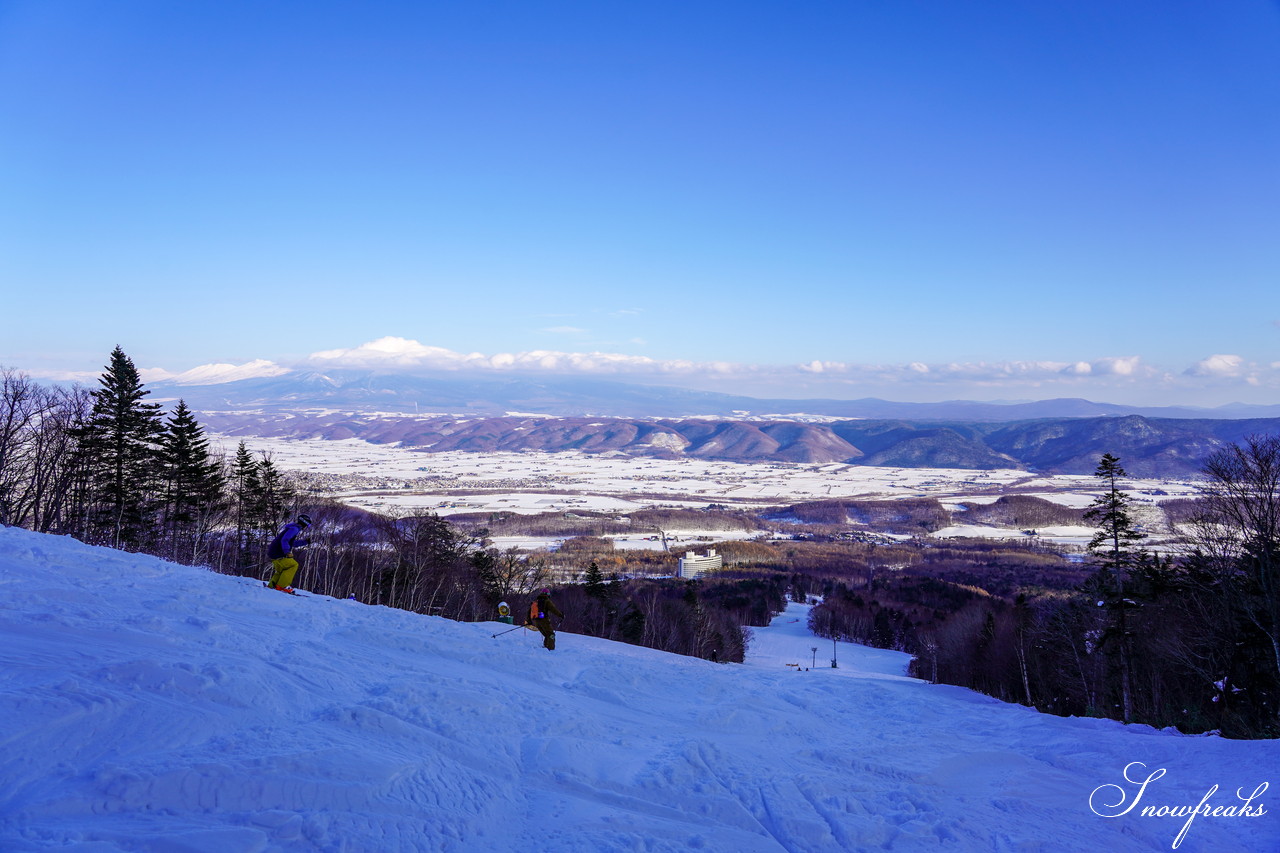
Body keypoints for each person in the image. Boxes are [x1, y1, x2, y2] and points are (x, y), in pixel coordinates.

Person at [267, 514, 312, 593]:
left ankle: (272, 584)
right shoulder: (294, 529)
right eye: (308, 525)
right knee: (293, 565)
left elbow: (291, 543)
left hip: (273, 551)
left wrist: (305, 542)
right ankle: (282, 586)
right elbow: (285, 540)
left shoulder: (293, 528)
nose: (306, 527)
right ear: (304, 523)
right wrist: (287, 551)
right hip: (278, 552)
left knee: (281, 570)